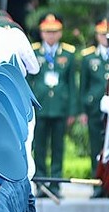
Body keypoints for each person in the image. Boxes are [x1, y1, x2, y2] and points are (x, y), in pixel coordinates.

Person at [27, 13, 75, 197]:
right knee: (38, 146)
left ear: (60, 33)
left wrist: (72, 110)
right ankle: (40, 183)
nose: (51, 35)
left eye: (54, 32)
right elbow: (29, 81)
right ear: (41, 33)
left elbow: (72, 84)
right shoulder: (34, 52)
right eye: (47, 32)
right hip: (40, 106)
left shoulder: (68, 54)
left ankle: (55, 184)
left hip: (59, 107)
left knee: (58, 147)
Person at [77, 18, 109, 198]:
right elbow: (83, 86)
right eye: (102, 34)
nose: (106, 38)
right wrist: (83, 110)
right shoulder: (89, 57)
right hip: (94, 108)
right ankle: (97, 183)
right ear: (97, 35)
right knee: (96, 147)